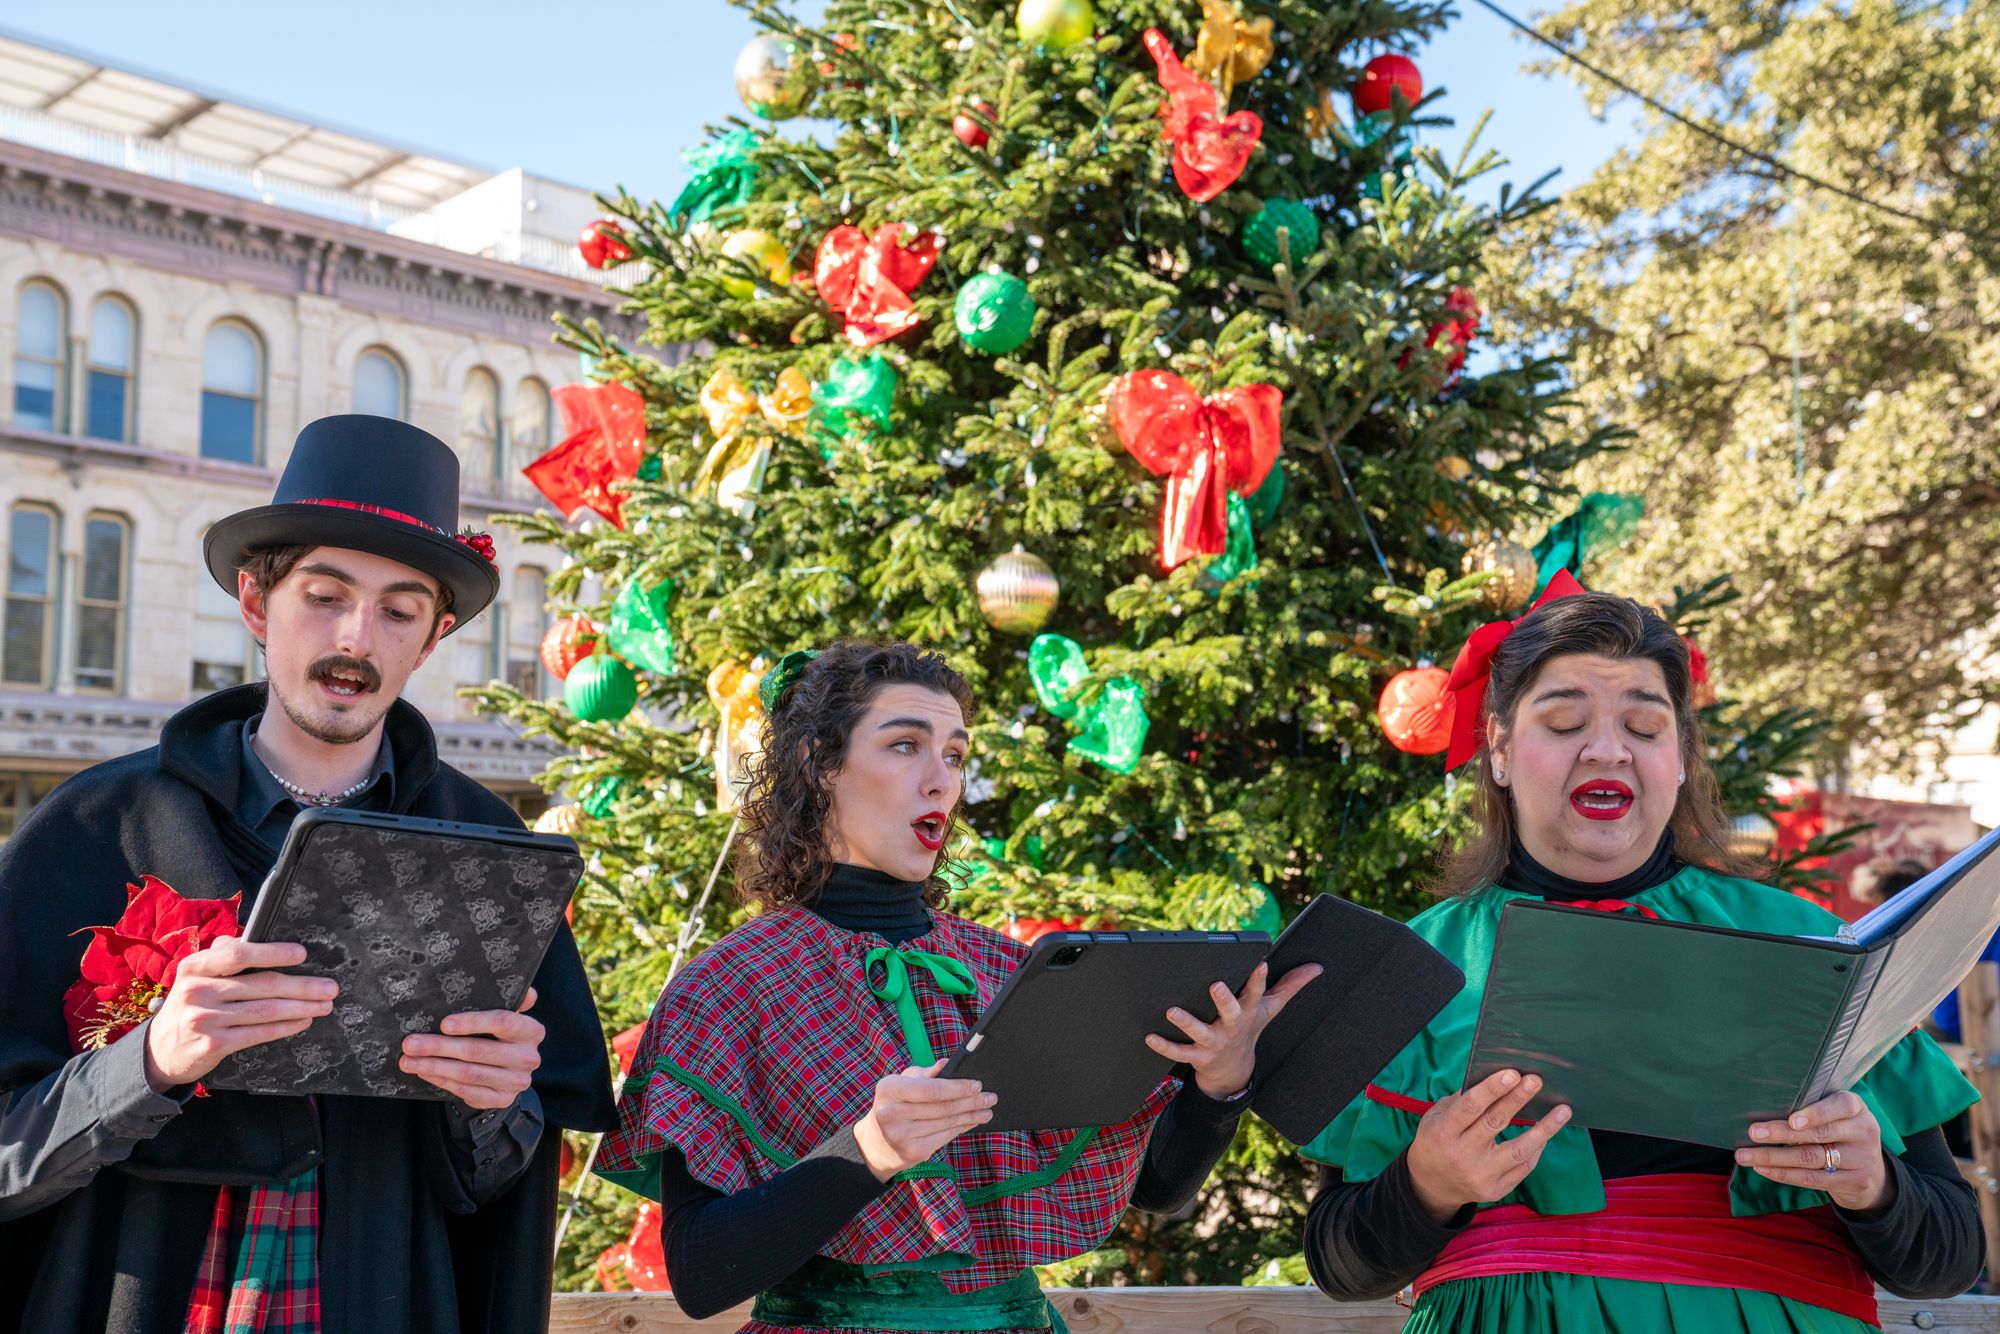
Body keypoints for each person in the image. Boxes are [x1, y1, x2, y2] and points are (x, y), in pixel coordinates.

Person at [0, 416, 615, 1333]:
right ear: (256, 604)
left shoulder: (486, 842)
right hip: (145, 1290)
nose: (357, 638)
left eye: (399, 611)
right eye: (325, 596)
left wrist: (493, 1105)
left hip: (384, 1290)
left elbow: (499, 1185)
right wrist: (152, 1061)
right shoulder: (97, 826)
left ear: (433, 637)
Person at [1302, 577, 1982, 1332]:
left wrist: (1874, 1185)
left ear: (1682, 757)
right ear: (1497, 747)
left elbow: (1950, 1260)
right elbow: (1342, 1267)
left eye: (1646, 727)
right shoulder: (1412, 966)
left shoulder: (1813, 945)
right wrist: (1423, 1185)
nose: (1607, 749)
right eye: (1563, 723)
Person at [595, 641, 1319, 1332]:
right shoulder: (728, 985)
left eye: (955, 754)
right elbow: (699, 1274)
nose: (942, 777)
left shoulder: (1014, 972)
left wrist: (1220, 1087)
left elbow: (1157, 1189)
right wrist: (868, 1149)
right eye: (905, 745)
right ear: (820, 763)